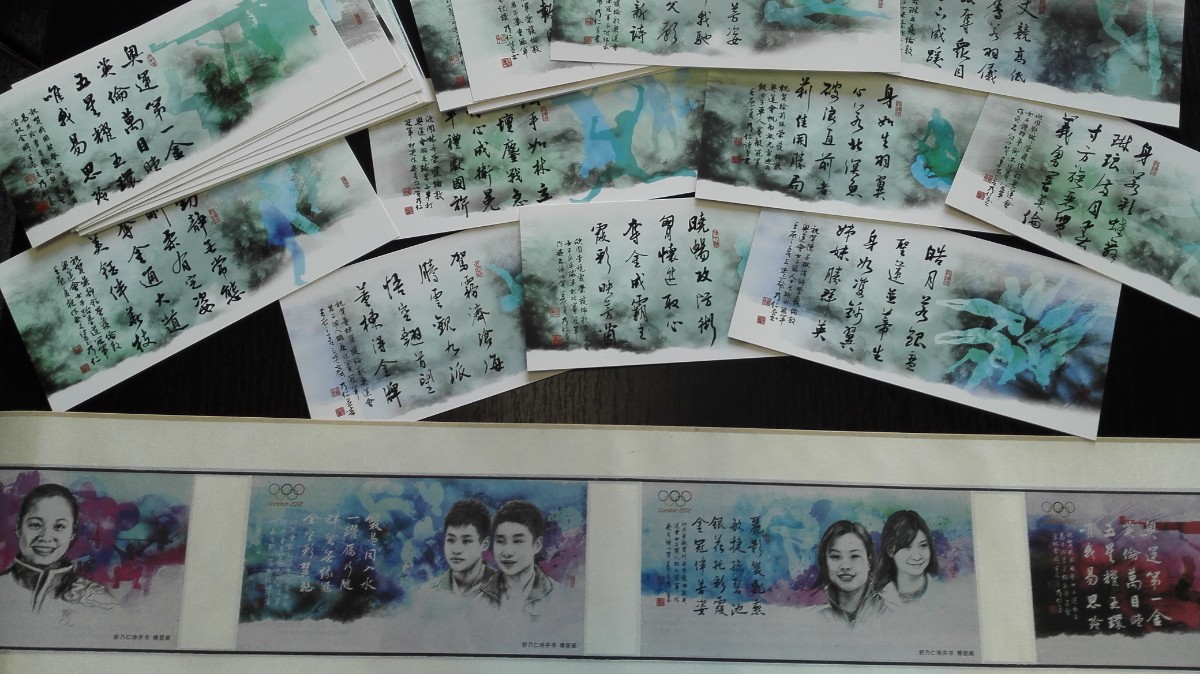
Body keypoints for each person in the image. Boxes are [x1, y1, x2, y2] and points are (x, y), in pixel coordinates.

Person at [0, 483, 116, 613]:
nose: (46, 537)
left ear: (72, 532)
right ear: (18, 526)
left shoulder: (99, 601)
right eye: (35, 525)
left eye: (59, 526)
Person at [477, 500, 555, 616]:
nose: (507, 552)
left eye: (518, 541)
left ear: (537, 545)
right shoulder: (478, 600)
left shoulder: (558, 597)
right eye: (500, 541)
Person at [811, 519, 886, 627]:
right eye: (835, 556)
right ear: (825, 562)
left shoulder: (892, 616)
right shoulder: (812, 619)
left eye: (854, 556)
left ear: (869, 561)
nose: (845, 566)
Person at [421, 499, 497, 599]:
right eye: (451, 540)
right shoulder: (428, 592)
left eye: (466, 541)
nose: (456, 550)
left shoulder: (504, 589)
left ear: (484, 544)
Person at [874, 510, 939, 610]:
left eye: (923, 545)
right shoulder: (876, 600)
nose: (917, 556)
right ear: (890, 550)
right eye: (907, 547)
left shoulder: (943, 593)